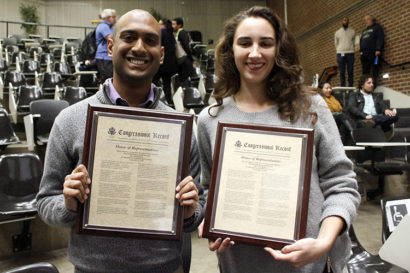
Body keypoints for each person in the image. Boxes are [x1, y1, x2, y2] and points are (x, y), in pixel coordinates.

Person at [36, 9, 205, 273]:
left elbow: (197, 210)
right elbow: (46, 201)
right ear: (111, 45)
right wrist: (69, 204)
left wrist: (190, 211)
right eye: (129, 38)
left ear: (161, 54)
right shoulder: (70, 119)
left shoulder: (179, 128)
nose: (139, 48)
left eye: (150, 40)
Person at [197, 6, 360, 273]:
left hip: (310, 265)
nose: (255, 53)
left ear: (279, 50)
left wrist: (324, 241)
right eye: (245, 43)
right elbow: (209, 192)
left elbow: (341, 184)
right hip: (240, 265)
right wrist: (210, 222)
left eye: (266, 43)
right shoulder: (209, 120)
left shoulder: (311, 107)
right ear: (231, 50)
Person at [154, 18, 178, 106]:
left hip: (161, 63)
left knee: (153, 82)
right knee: (167, 84)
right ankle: (169, 102)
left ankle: (153, 100)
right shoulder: (171, 34)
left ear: (163, 25)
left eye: (159, 24)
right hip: (170, 64)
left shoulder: (160, 33)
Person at [359, 15, 384, 86]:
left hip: (373, 53)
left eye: (367, 19)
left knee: (374, 70)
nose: (366, 21)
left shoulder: (377, 28)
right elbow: (361, 41)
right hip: (364, 54)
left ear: (372, 20)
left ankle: (373, 85)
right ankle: (364, 85)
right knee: (365, 71)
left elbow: (380, 38)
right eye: (365, 20)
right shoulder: (364, 31)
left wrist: (378, 49)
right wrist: (361, 51)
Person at [172, 17, 195, 88]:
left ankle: (187, 97)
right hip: (182, 62)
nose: (172, 26)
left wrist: (192, 60)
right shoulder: (179, 33)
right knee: (183, 82)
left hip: (185, 62)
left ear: (179, 25)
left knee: (185, 83)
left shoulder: (182, 33)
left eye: (174, 24)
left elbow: (186, 48)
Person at [95, 8, 116, 83]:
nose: (115, 19)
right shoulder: (103, 26)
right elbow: (111, 38)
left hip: (108, 57)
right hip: (103, 57)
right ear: (107, 18)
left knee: (110, 79)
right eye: (113, 17)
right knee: (106, 80)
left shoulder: (110, 27)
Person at [334, 17, 355, 87]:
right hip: (340, 53)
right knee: (342, 72)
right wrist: (339, 51)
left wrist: (351, 49)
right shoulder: (337, 33)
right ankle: (343, 87)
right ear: (342, 22)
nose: (345, 22)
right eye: (344, 20)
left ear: (348, 22)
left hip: (350, 53)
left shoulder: (352, 32)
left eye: (346, 20)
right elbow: (336, 44)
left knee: (350, 71)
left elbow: (354, 42)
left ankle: (350, 86)